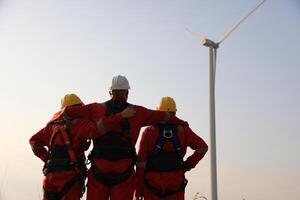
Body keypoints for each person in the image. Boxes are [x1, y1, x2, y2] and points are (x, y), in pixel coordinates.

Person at [62, 75, 189, 200]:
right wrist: (183, 123)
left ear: (110, 92)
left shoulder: (94, 109)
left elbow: (66, 112)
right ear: (127, 93)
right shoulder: (138, 112)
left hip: (98, 172)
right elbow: (165, 116)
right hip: (124, 174)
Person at [29, 93, 135, 200]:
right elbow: (97, 129)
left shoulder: (52, 127)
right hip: (69, 178)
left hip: (50, 177)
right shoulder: (80, 124)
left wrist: (47, 158)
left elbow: (33, 142)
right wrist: (120, 116)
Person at [135, 97, 208, 200]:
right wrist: (187, 166)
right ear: (175, 112)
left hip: (151, 185)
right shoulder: (184, 130)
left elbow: (141, 162)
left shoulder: (149, 131)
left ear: (157, 112)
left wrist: (139, 189)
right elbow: (203, 148)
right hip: (176, 183)